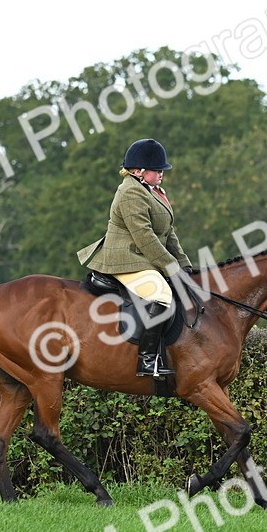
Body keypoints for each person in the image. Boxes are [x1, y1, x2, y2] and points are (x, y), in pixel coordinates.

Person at [77, 138, 192, 379]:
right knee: (161, 294)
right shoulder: (130, 192)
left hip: (143, 257)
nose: (161, 173)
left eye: (161, 170)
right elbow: (145, 236)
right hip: (124, 258)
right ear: (139, 171)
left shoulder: (155, 192)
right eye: (156, 169)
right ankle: (147, 360)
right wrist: (171, 268)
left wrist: (185, 266)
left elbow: (169, 234)